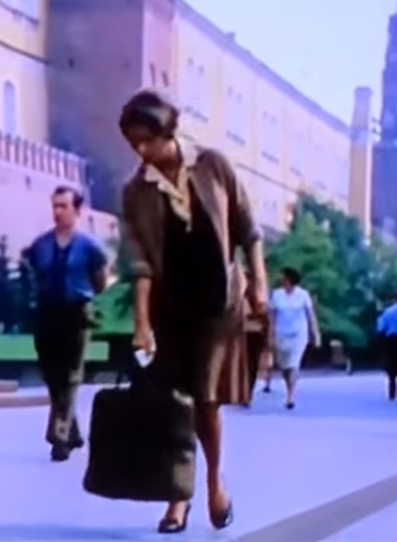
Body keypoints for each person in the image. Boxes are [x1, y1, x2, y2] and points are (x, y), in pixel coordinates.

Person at [119, 88, 266, 534]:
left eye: (148, 140)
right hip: (170, 305)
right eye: (133, 143)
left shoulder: (213, 165)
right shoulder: (135, 191)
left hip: (218, 304)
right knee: (174, 402)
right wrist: (142, 323)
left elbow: (248, 228)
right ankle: (177, 496)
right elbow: (140, 264)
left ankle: (214, 482)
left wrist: (259, 283)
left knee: (205, 399)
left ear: (168, 131)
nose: (141, 150)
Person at [22, 185, 109, 462]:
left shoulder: (89, 247)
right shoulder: (41, 245)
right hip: (48, 312)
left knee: (70, 375)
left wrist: (85, 297)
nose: (58, 212)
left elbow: (100, 281)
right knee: (52, 374)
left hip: (76, 312)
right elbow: (33, 272)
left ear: (77, 210)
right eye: (55, 206)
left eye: (64, 206)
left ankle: (59, 437)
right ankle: (73, 432)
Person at [266, 267, 320, 410]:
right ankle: (288, 386)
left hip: (299, 334)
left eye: (283, 277)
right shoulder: (276, 295)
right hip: (281, 333)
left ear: (290, 280)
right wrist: (270, 336)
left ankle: (290, 396)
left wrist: (315, 333)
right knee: (285, 367)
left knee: (294, 364)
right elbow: (272, 318)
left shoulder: (303, 295)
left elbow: (310, 315)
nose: (281, 279)